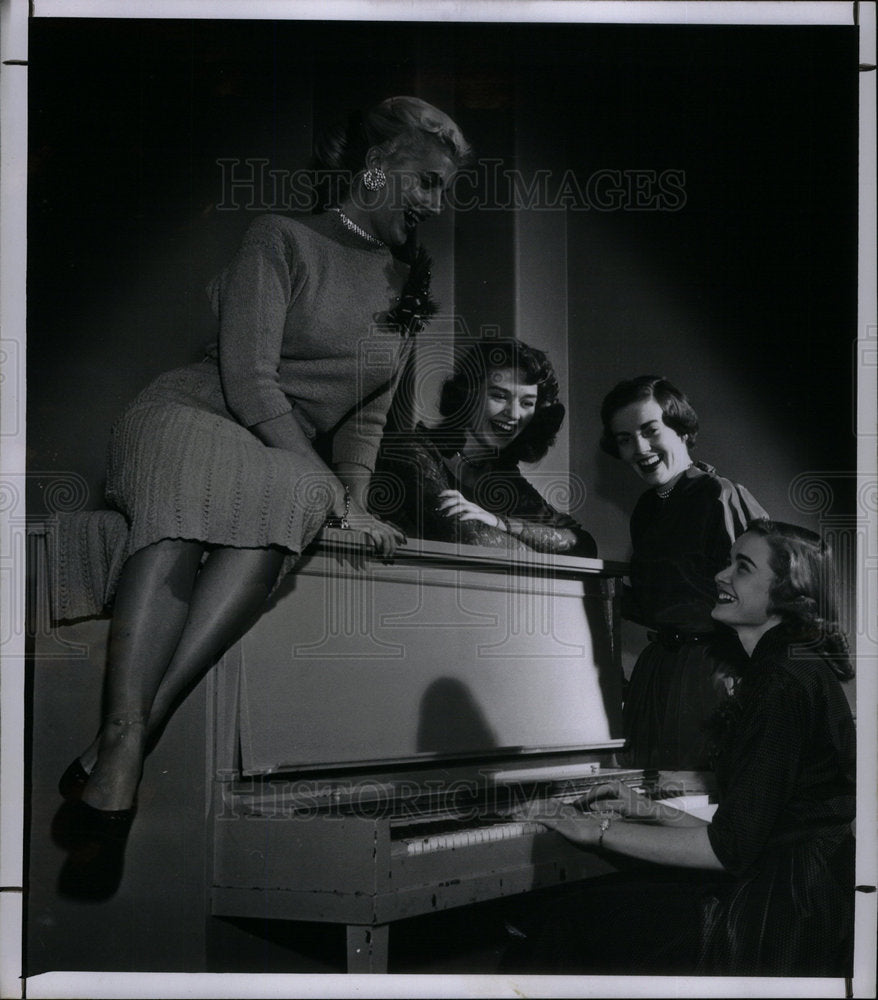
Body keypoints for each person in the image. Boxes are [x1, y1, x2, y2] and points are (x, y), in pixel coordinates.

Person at [55, 96, 471, 897]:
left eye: (444, 188)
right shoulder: (279, 238)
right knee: (273, 486)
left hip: (272, 457)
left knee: (290, 495)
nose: (435, 204)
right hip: (191, 414)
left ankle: (122, 745)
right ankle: (119, 737)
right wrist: (325, 489)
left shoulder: (407, 287)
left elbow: (363, 425)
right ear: (376, 170)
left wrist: (349, 502)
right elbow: (249, 379)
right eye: (426, 181)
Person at [516, 519, 856, 977]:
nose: (721, 575)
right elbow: (757, 827)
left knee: (566, 919)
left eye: (742, 567)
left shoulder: (780, 681)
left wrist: (593, 829)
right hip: (799, 889)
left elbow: (729, 849)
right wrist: (650, 810)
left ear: (785, 593)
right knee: (591, 905)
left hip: (778, 915)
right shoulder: (792, 665)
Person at [600, 375, 767, 771]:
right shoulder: (646, 508)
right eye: (625, 439)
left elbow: (762, 596)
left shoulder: (719, 494)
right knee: (649, 794)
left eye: (650, 430)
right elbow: (660, 600)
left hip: (713, 669)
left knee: (705, 796)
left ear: (681, 429)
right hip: (658, 668)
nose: (640, 448)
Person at [371, 338, 597, 556]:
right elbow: (471, 540)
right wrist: (537, 544)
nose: (514, 414)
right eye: (499, 396)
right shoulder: (412, 451)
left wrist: (500, 523)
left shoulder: (503, 476)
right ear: (467, 396)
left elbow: (583, 545)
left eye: (527, 403)